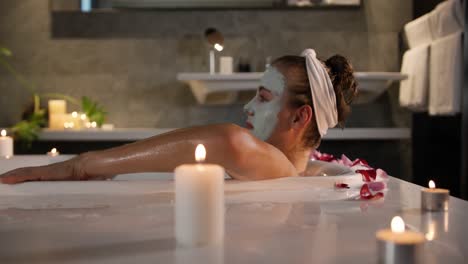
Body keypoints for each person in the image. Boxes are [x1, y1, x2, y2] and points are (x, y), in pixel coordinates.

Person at [0, 49, 357, 184]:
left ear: (299, 118)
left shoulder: (277, 167)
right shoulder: (295, 171)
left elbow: (230, 140)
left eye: (263, 98)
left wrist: (81, 165)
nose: (248, 107)